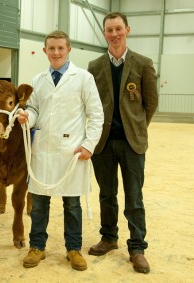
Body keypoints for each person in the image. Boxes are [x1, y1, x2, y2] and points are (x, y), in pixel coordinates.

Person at [18, 31, 104, 271]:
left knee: (72, 204)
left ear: (68, 50)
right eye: (51, 48)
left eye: (60, 48)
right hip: (43, 149)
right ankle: (37, 247)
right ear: (45, 51)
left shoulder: (84, 78)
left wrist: (89, 145)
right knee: (39, 203)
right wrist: (28, 117)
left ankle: (73, 249)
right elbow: (35, 109)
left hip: (71, 151)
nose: (56, 52)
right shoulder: (38, 80)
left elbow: (96, 114)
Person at [87, 12, 158, 274]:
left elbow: (150, 104)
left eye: (118, 28)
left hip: (132, 144)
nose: (114, 34)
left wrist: (136, 128)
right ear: (104, 33)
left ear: (127, 30)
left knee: (134, 197)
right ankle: (108, 238)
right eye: (109, 30)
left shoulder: (143, 63)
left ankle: (137, 248)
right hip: (102, 144)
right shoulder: (94, 66)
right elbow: (90, 104)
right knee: (107, 194)